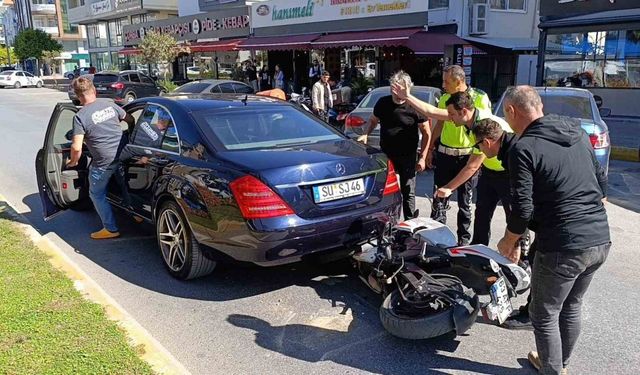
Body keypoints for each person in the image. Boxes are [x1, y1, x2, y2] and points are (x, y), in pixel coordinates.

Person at [496, 86, 610, 374]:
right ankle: (560, 366)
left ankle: (553, 370)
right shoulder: (578, 133)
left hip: (563, 245)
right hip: (599, 237)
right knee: (571, 307)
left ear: (512, 111)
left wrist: (508, 241)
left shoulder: (523, 148)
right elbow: (601, 184)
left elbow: (521, 208)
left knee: (543, 313)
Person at [393, 65, 491, 245]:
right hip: (445, 154)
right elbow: (438, 123)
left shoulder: (480, 98)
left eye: (446, 81)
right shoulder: (446, 98)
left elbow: (487, 132)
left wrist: (481, 159)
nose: (443, 85)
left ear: (459, 81)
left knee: (465, 204)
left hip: (468, 155)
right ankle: (436, 240)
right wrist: (429, 149)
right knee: (439, 200)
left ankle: (463, 242)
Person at [358, 71, 449, 220]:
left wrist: (423, 157)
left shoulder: (415, 107)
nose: (396, 91)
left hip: (408, 155)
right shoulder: (383, 103)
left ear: (407, 88)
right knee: (385, 191)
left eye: (399, 88)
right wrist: (366, 133)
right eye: (393, 88)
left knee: (408, 191)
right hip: (386, 154)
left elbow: (426, 133)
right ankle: (387, 223)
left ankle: (409, 224)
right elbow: (373, 121)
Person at [67, 77, 135, 239]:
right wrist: (130, 131)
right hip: (123, 153)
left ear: (77, 96)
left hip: (103, 162)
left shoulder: (80, 116)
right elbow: (130, 119)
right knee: (123, 182)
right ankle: (134, 211)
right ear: (94, 91)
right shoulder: (110, 105)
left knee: (96, 193)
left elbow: (76, 146)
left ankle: (110, 229)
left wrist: (73, 162)